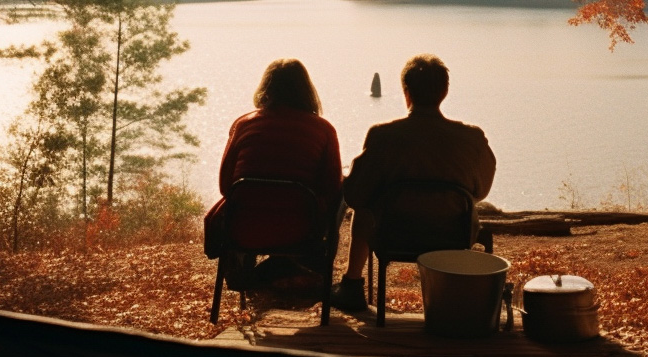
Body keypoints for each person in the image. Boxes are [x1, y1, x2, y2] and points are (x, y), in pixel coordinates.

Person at [331, 53, 496, 312]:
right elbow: (481, 190)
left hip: (392, 233)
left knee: (363, 212)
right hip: (453, 234)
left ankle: (352, 285)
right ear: (445, 91)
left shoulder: (383, 136)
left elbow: (355, 196)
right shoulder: (471, 139)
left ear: (406, 92)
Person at [204, 59, 342, 285]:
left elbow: (225, 186)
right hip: (300, 232)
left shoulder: (244, 124)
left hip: (241, 229)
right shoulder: (324, 130)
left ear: (265, 88)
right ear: (307, 91)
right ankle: (317, 268)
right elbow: (331, 187)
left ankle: (248, 270)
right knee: (342, 194)